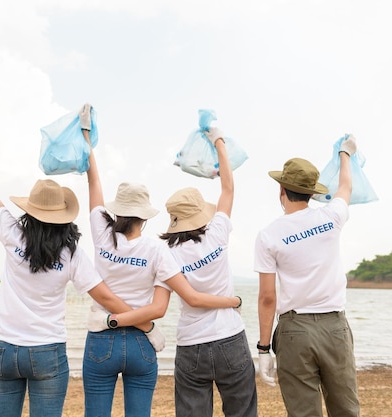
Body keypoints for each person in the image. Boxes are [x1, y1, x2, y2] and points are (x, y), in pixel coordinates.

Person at [0, 141, 143, 417]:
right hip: (47, 352)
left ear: (30, 211)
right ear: (63, 216)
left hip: (4, 349)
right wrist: (145, 323)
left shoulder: (12, 235)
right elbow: (106, 297)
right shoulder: (71, 254)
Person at [79, 104, 241, 417]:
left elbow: (93, 182)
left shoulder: (102, 232)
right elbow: (160, 309)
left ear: (117, 211)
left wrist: (87, 136)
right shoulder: (158, 251)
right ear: (145, 216)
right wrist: (149, 328)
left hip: (101, 339)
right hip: (142, 341)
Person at [254, 134, 361, 417]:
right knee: (347, 409)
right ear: (312, 193)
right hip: (335, 326)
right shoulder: (331, 217)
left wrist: (264, 349)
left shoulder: (268, 236)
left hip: (294, 332)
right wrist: (344, 154)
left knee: (303, 413)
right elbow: (346, 186)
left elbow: (267, 297)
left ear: (281, 189)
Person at [158, 126, 258, 417]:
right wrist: (218, 142)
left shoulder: (167, 254)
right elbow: (228, 187)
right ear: (201, 213)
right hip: (230, 337)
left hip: (192, 344)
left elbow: (190, 299)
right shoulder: (217, 233)